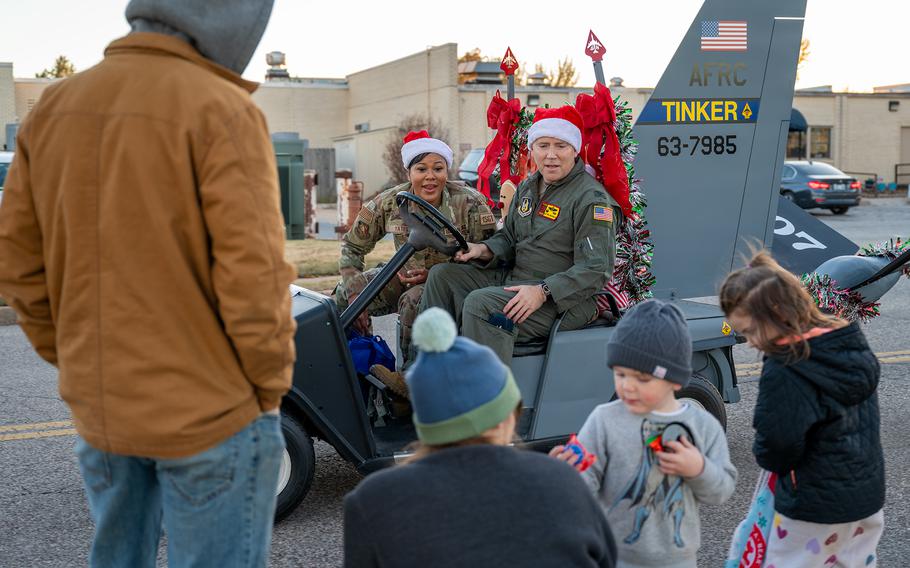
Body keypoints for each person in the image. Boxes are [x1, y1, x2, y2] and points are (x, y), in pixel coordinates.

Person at [0, 1, 296, 566]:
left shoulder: (54, 107)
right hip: (213, 412)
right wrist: (266, 389)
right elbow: (254, 278)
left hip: (104, 409)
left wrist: (74, 358)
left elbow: (17, 264)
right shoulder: (221, 109)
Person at [343, 308, 617, 567]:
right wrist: (553, 477)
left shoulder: (371, 502)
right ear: (508, 416)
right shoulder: (563, 482)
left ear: (425, 423)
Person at [419, 105, 618, 366]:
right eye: (543, 145)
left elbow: (596, 269)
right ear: (533, 149)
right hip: (519, 279)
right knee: (443, 277)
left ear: (575, 149)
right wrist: (482, 249)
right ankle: (424, 372)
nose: (551, 155)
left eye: (561, 146)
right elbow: (510, 239)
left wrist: (543, 291)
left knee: (482, 305)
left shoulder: (591, 200)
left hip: (566, 299)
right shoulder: (528, 187)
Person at [720, 251, 884, 566]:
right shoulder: (845, 340)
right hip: (866, 501)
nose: (751, 342)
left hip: (813, 504)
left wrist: (767, 456)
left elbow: (779, 442)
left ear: (777, 313)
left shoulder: (786, 365)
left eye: (752, 330)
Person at [551, 299, 737, 568]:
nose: (628, 387)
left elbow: (722, 490)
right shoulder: (604, 420)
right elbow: (586, 484)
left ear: (674, 379)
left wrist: (698, 469)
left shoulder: (701, 425)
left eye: (642, 379)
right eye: (620, 374)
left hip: (678, 560)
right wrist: (568, 474)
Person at [335, 130, 496, 394]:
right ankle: (354, 368)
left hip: (449, 284)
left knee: (414, 299)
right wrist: (355, 295)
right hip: (401, 275)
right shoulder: (390, 202)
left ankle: (410, 382)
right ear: (409, 172)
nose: (430, 176)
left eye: (438, 168)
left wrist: (435, 274)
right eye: (421, 168)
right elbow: (352, 246)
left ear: (447, 171)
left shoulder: (469, 203)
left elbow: (489, 258)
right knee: (343, 297)